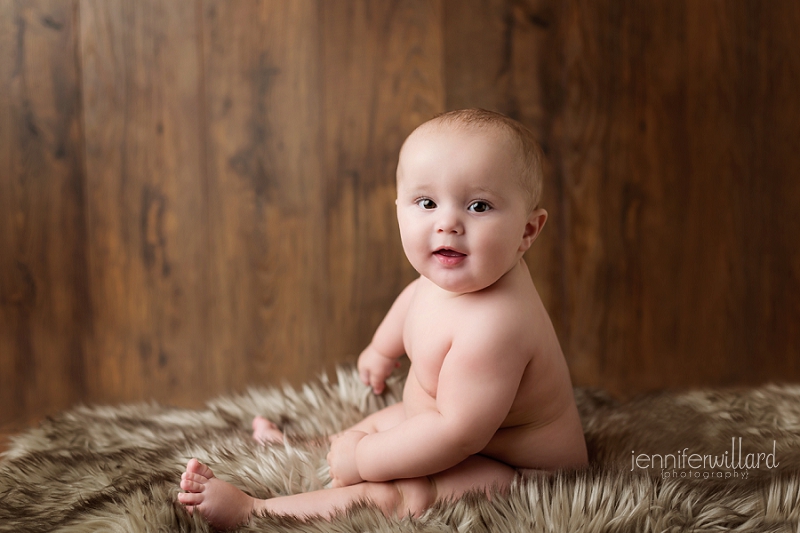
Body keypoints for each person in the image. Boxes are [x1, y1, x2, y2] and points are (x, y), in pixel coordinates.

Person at [177, 109, 588, 527]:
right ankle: (308, 447)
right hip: (453, 424)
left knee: (405, 490)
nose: (447, 224)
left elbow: (457, 434)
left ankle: (253, 512)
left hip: (519, 471)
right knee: (385, 421)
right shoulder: (462, 271)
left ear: (527, 231)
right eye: (426, 203)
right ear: (399, 210)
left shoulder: (496, 328)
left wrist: (362, 459)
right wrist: (382, 348)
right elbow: (416, 298)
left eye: (479, 206)